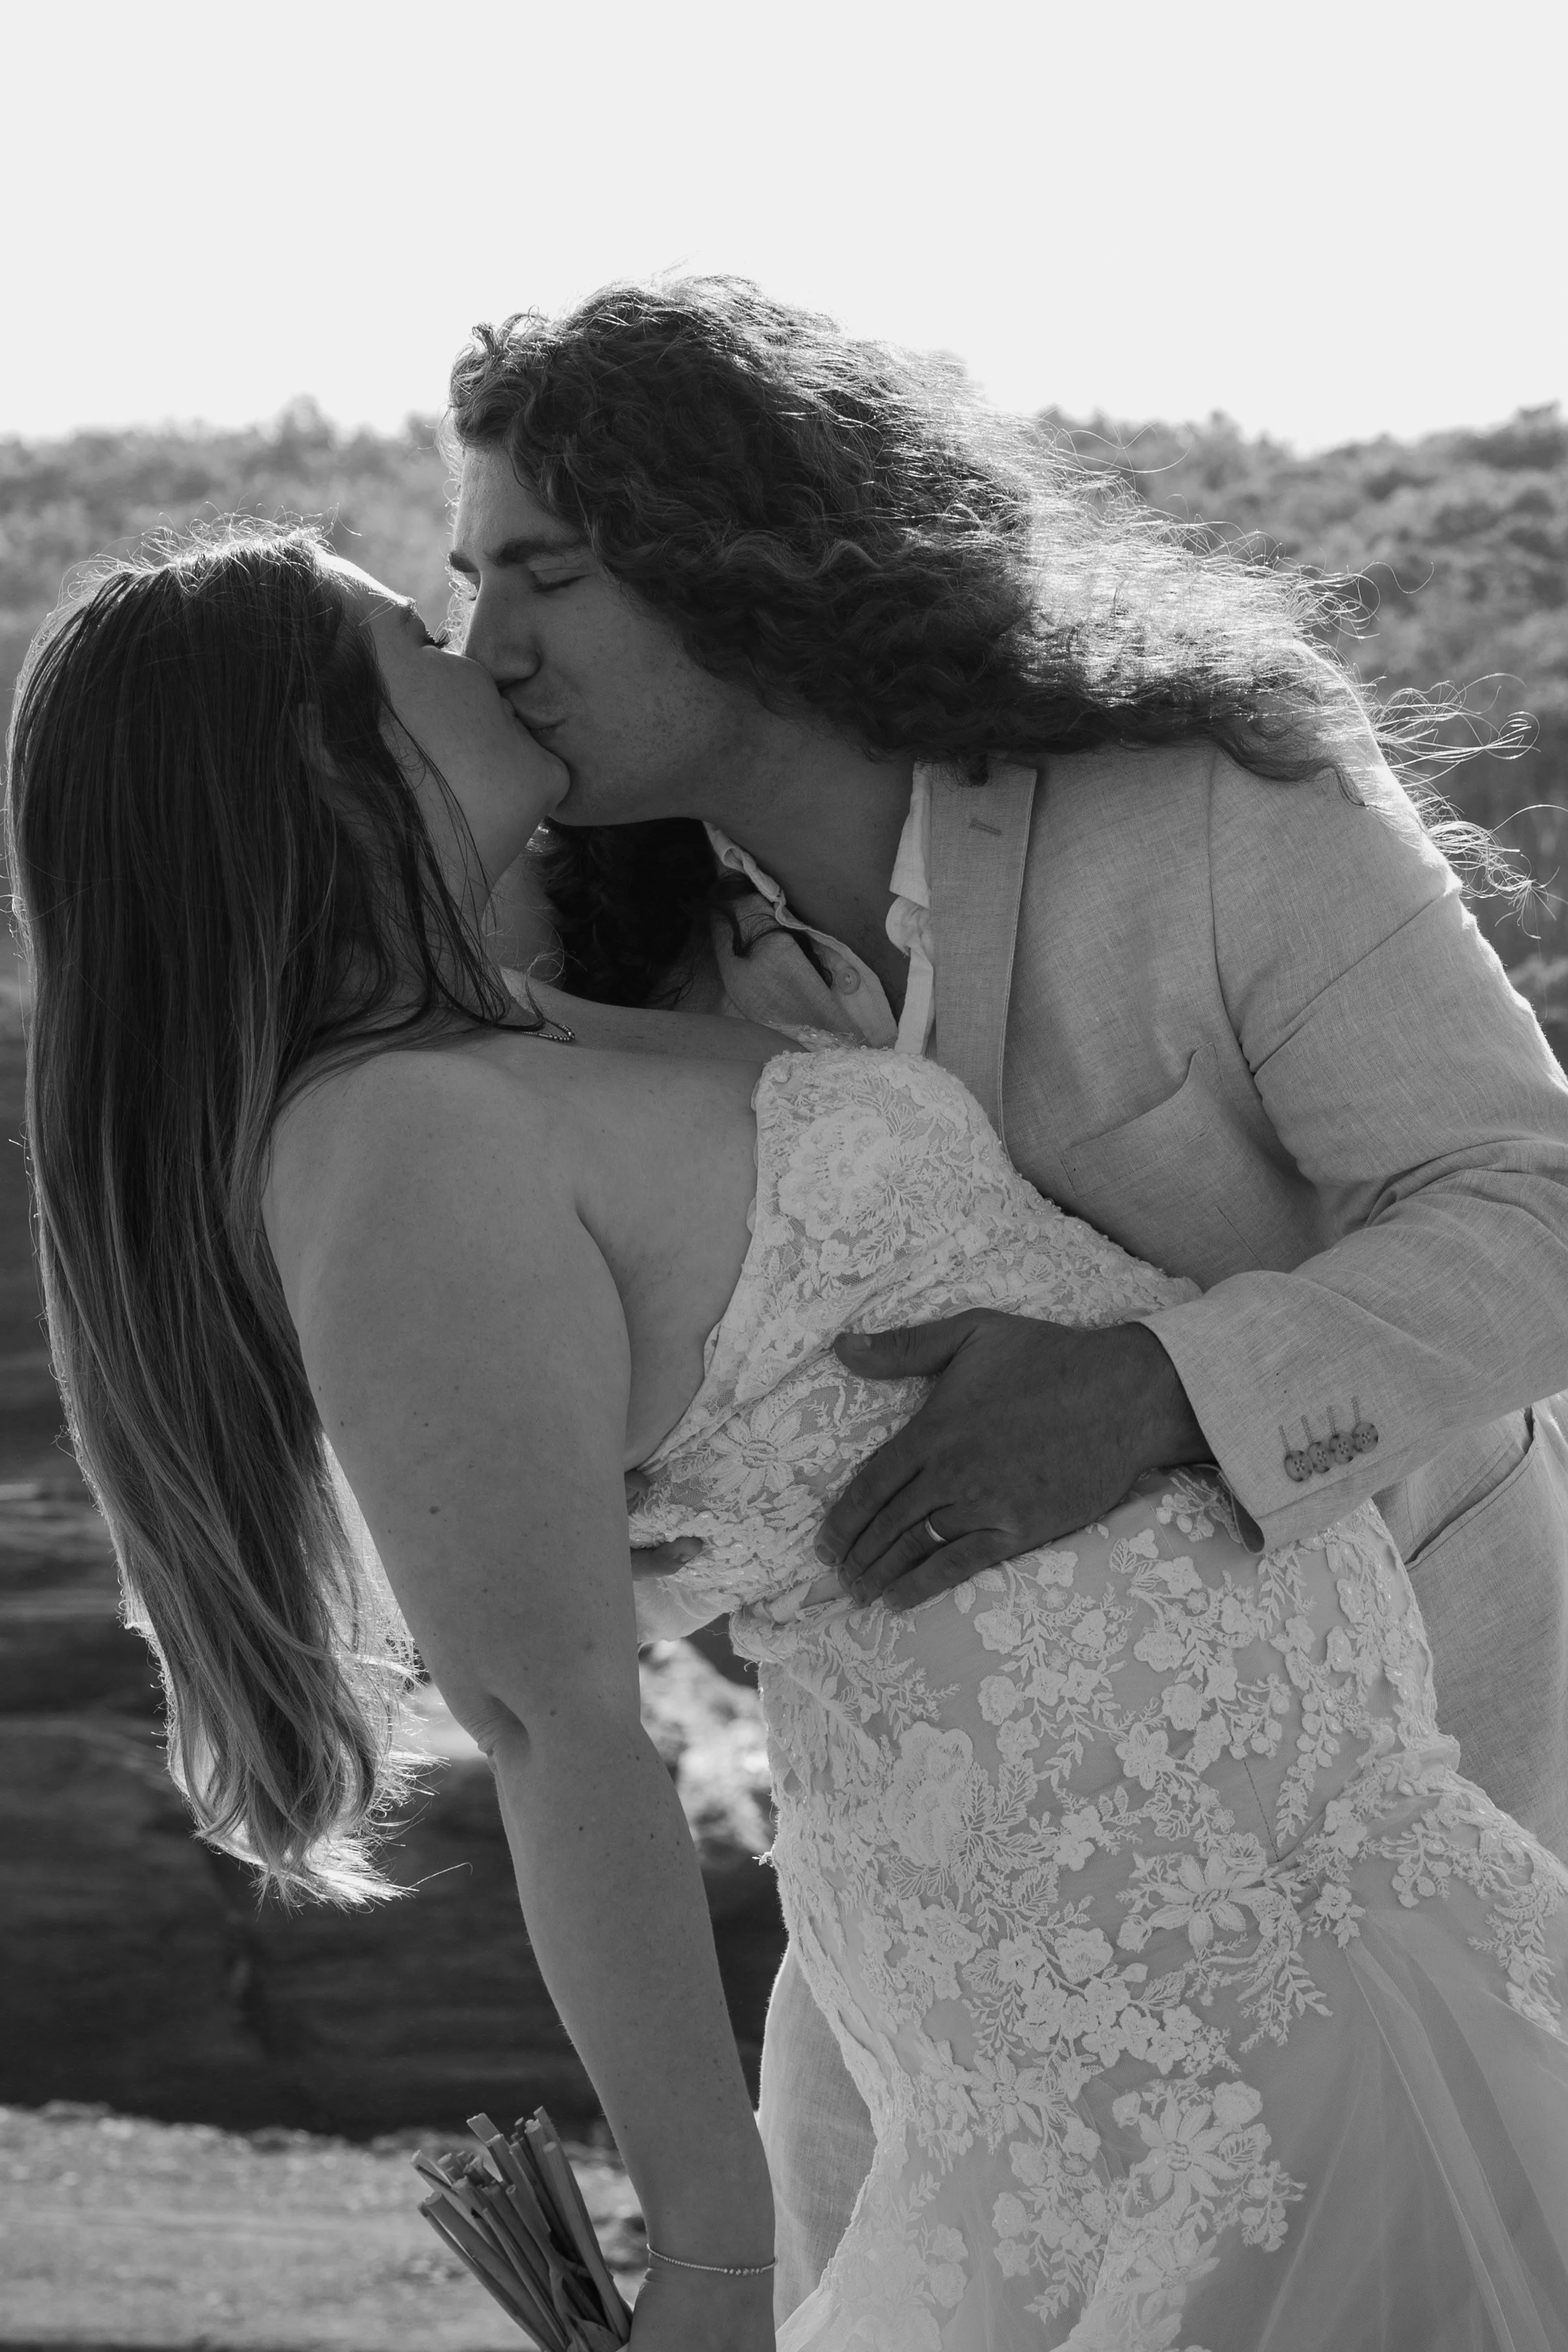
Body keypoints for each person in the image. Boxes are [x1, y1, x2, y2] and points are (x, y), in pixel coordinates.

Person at [9, 524, 1568, 2350]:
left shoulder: (544, 1028)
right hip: (1122, 1968)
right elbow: (548, 1721)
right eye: (422, 632)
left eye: (513, 587)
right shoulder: (394, 1143)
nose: (481, 648)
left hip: (1330, 1861)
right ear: (329, 751)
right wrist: (717, 2260)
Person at [441, 278, 1568, 2319]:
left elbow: (1534, 1204)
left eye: (545, 572)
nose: (485, 648)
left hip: (1373, 1791)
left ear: (737, 559)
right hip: (932, 1902)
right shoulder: (602, 944)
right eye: (463, 583)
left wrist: (1155, 1386)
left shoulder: (1218, 807)